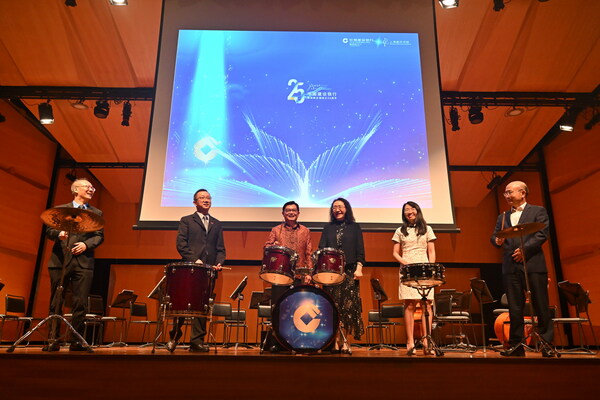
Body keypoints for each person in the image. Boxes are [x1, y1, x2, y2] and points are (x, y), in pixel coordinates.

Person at [491, 181, 554, 357]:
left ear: (523, 193)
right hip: (510, 267)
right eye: (505, 193)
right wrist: (496, 241)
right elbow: (495, 236)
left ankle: (546, 344)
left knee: (541, 305)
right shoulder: (502, 216)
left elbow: (542, 233)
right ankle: (516, 345)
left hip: (533, 264)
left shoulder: (538, 211)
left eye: (510, 192)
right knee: (515, 308)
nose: (507, 196)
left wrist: (525, 251)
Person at [44, 179, 104, 352]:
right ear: (75, 189)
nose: (91, 189)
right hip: (60, 261)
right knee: (56, 301)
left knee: (80, 303)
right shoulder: (61, 209)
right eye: (88, 186)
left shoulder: (96, 212)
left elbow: (99, 236)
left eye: (92, 187)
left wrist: (86, 245)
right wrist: (59, 233)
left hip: (83, 263)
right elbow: (49, 231)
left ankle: (76, 340)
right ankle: (52, 339)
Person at [169, 189, 225, 352]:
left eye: (208, 198)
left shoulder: (217, 223)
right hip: (189, 268)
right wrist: (196, 260)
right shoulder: (186, 220)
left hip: (208, 272)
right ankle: (174, 337)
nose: (206, 200)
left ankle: (197, 341)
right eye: (202, 198)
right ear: (195, 202)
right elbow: (181, 245)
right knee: (183, 304)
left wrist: (219, 262)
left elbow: (220, 248)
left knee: (202, 305)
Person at [263, 201, 313, 351]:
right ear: (283, 213)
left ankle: (297, 341)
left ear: (298, 213)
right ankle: (278, 342)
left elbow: (309, 253)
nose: (291, 212)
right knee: (280, 309)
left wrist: (309, 273)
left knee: (298, 309)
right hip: (280, 275)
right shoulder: (276, 230)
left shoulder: (305, 231)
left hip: (299, 275)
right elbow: (266, 247)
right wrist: (273, 245)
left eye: (294, 210)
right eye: (288, 210)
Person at [318, 198, 365, 352]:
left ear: (346, 209)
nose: (337, 209)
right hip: (330, 272)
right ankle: (334, 339)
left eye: (340, 206)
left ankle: (346, 341)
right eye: (334, 207)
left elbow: (360, 250)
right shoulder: (327, 228)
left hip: (350, 271)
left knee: (348, 307)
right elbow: (321, 248)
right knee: (332, 305)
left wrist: (359, 268)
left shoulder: (355, 227)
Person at [392, 201, 436, 355]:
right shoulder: (400, 230)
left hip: (424, 269)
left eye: (411, 209)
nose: (409, 212)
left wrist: (431, 268)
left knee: (427, 305)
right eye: (406, 210)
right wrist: (406, 263)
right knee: (409, 305)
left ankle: (426, 340)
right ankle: (410, 341)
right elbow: (395, 253)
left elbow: (431, 251)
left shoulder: (427, 229)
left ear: (417, 210)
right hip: (407, 269)